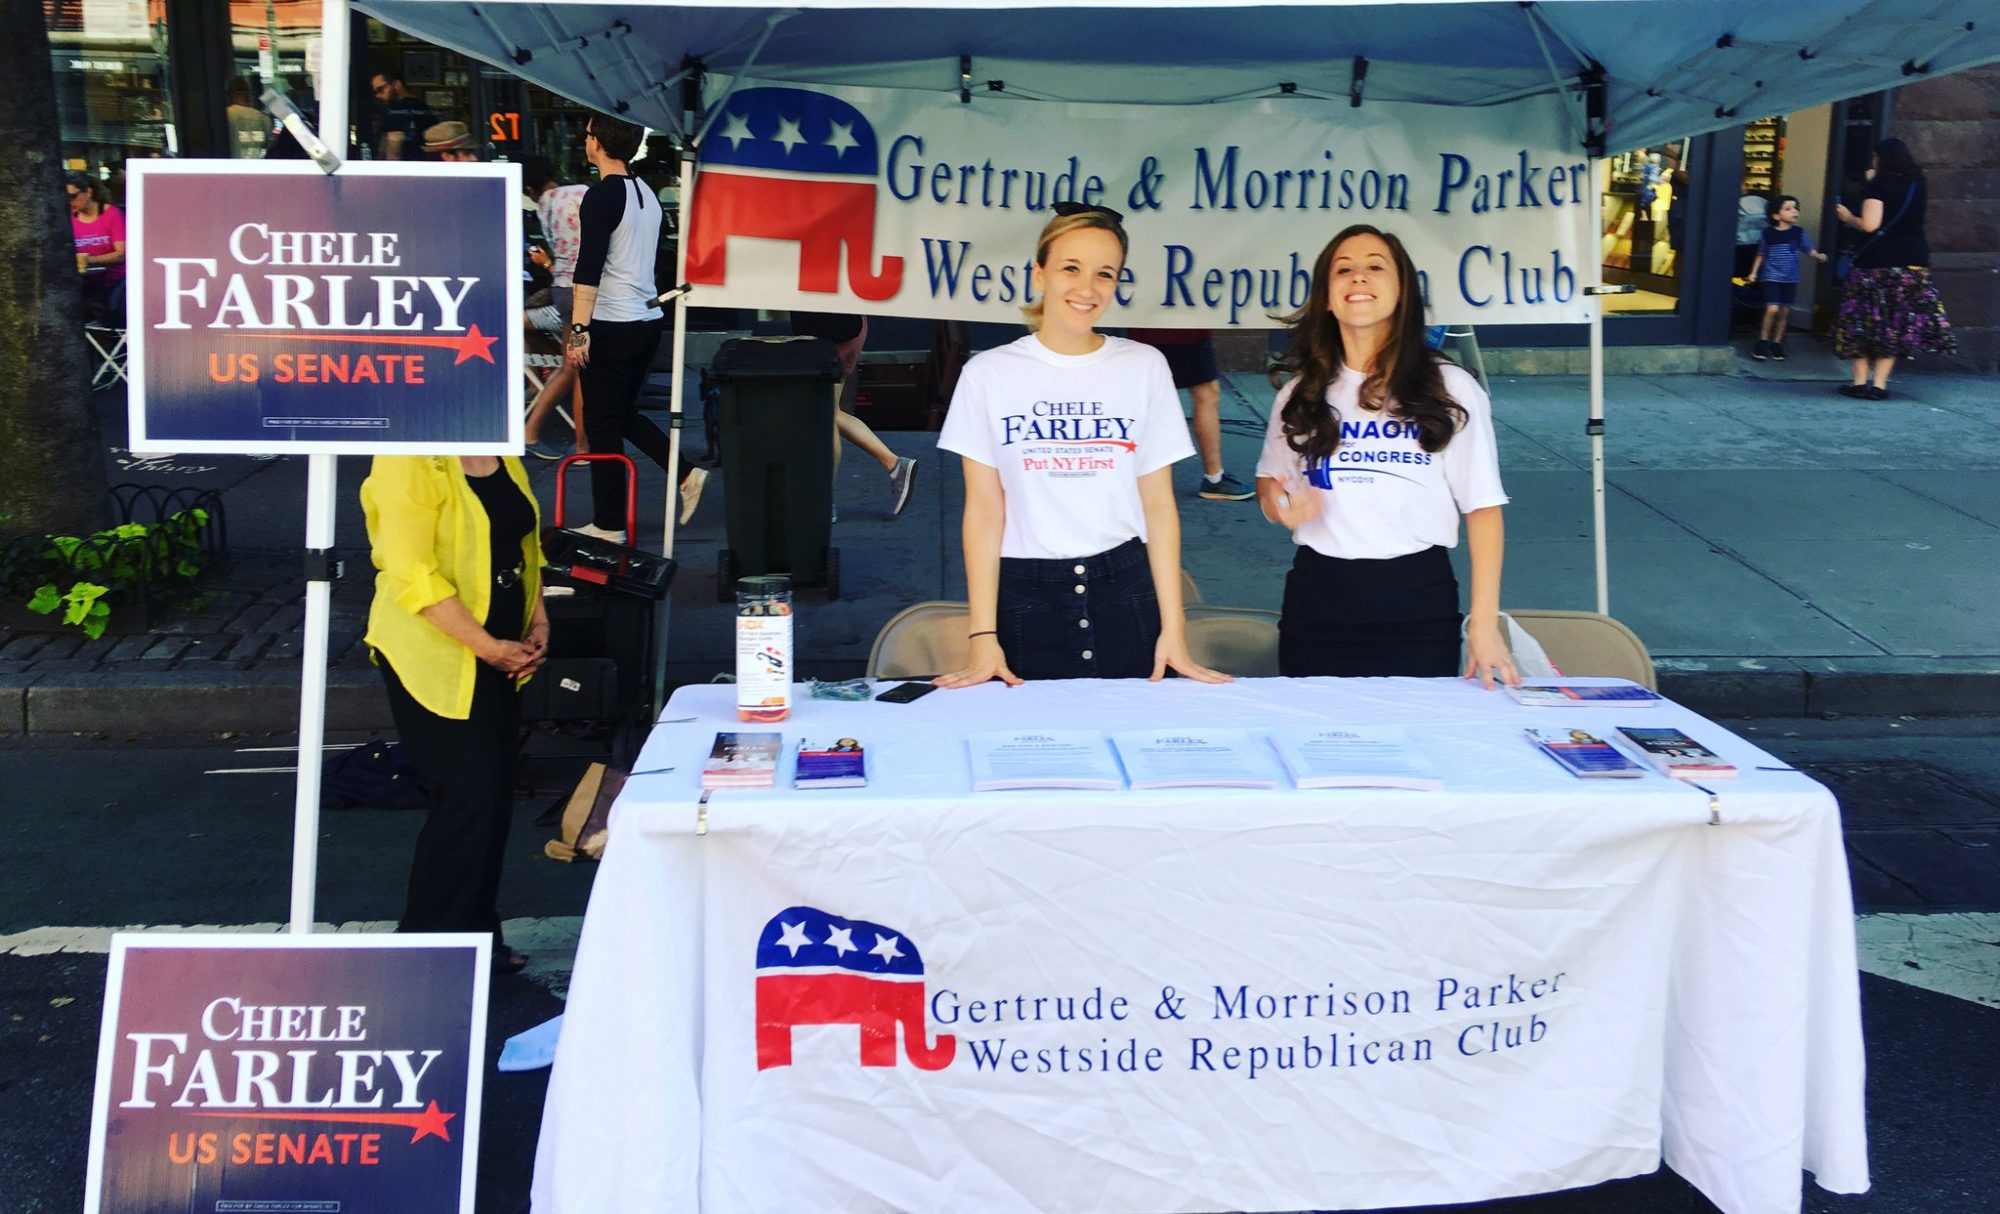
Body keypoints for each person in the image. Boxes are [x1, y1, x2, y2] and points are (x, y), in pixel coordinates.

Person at [933, 204, 1227, 689]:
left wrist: (1175, 629)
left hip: (1127, 589)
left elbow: (1158, 507)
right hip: (1025, 595)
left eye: (1104, 274)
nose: (1087, 288)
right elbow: (984, 511)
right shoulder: (987, 374)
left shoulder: (1144, 365)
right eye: (1071, 268)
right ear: (1040, 273)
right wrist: (982, 633)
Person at [1254, 225, 1515, 687]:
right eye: (1344, 269)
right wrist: (1280, 506)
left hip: (1418, 604)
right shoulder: (1301, 392)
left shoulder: (1450, 388)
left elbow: (1483, 509)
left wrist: (1484, 622)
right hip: (1318, 602)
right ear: (1328, 298)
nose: (1359, 278)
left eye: (1375, 267)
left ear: (1402, 293)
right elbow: (1270, 480)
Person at [361, 453, 548, 974]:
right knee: (466, 797)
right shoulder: (408, 459)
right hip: (435, 655)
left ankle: (475, 938)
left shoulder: (503, 453)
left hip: (501, 654)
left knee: (489, 802)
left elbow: (523, 547)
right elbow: (412, 574)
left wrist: (538, 619)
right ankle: (430, 949)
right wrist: (488, 646)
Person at [566, 112, 700, 542]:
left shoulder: (602, 196)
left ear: (598, 142)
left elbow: (589, 267)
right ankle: (686, 474)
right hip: (645, 322)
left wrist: (578, 330)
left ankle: (608, 525)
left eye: (587, 134)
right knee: (621, 415)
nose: (584, 141)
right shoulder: (646, 192)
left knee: (603, 425)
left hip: (612, 323)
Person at [1832, 138, 1957, 400]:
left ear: (1881, 158)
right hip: (1913, 263)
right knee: (1893, 326)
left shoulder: (1878, 184)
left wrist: (1847, 217)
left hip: (1877, 265)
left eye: (1875, 157)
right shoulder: (1918, 182)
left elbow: (1869, 224)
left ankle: (1858, 382)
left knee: (1861, 323)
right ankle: (1879, 385)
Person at [789, 312, 917, 520]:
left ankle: (824, 501)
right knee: (832, 412)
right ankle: (895, 466)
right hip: (848, 326)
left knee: (827, 415)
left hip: (831, 331)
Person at [1126, 328, 1252, 501]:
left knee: (1204, 393)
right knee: (1145, 396)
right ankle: (1214, 478)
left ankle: (1214, 478)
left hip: (1182, 326)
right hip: (1169, 325)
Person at [522, 157, 589, 461]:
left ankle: (533, 430)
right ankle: (582, 445)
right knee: (579, 368)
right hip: (583, 292)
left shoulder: (542, 208)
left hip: (563, 290)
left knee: (570, 365)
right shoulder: (578, 193)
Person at [1748, 195, 1828, 361]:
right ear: (1776, 215)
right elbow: (1761, 254)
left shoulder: (1798, 233)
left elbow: (1808, 249)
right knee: (1772, 308)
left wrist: (1818, 256)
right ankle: (1762, 340)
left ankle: (1776, 342)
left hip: (1790, 278)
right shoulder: (1768, 234)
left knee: (1784, 311)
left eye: (1796, 208)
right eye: (1788, 208)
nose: (1794, 211)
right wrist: (1754, 272)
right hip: (1771, 276)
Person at [67, 174, 125, 319]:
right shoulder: (68, 217)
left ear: (88, 192)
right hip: (81, 284)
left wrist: (89, 260)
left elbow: (121, 254)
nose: (70, 202)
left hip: (113, 284)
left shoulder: (112, 214)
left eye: (73, 196)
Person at [372, 71, 435, 161]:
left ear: (397, 84)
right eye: (375, 92)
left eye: (380, 89)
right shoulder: (424, 109)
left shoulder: (392, 111)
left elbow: (393, 147)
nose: (378, 95)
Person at [225, 78, 268, 159]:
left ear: (229, 94)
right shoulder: (262, 117)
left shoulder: (226, 115)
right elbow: (270, 143)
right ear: (248, 94)